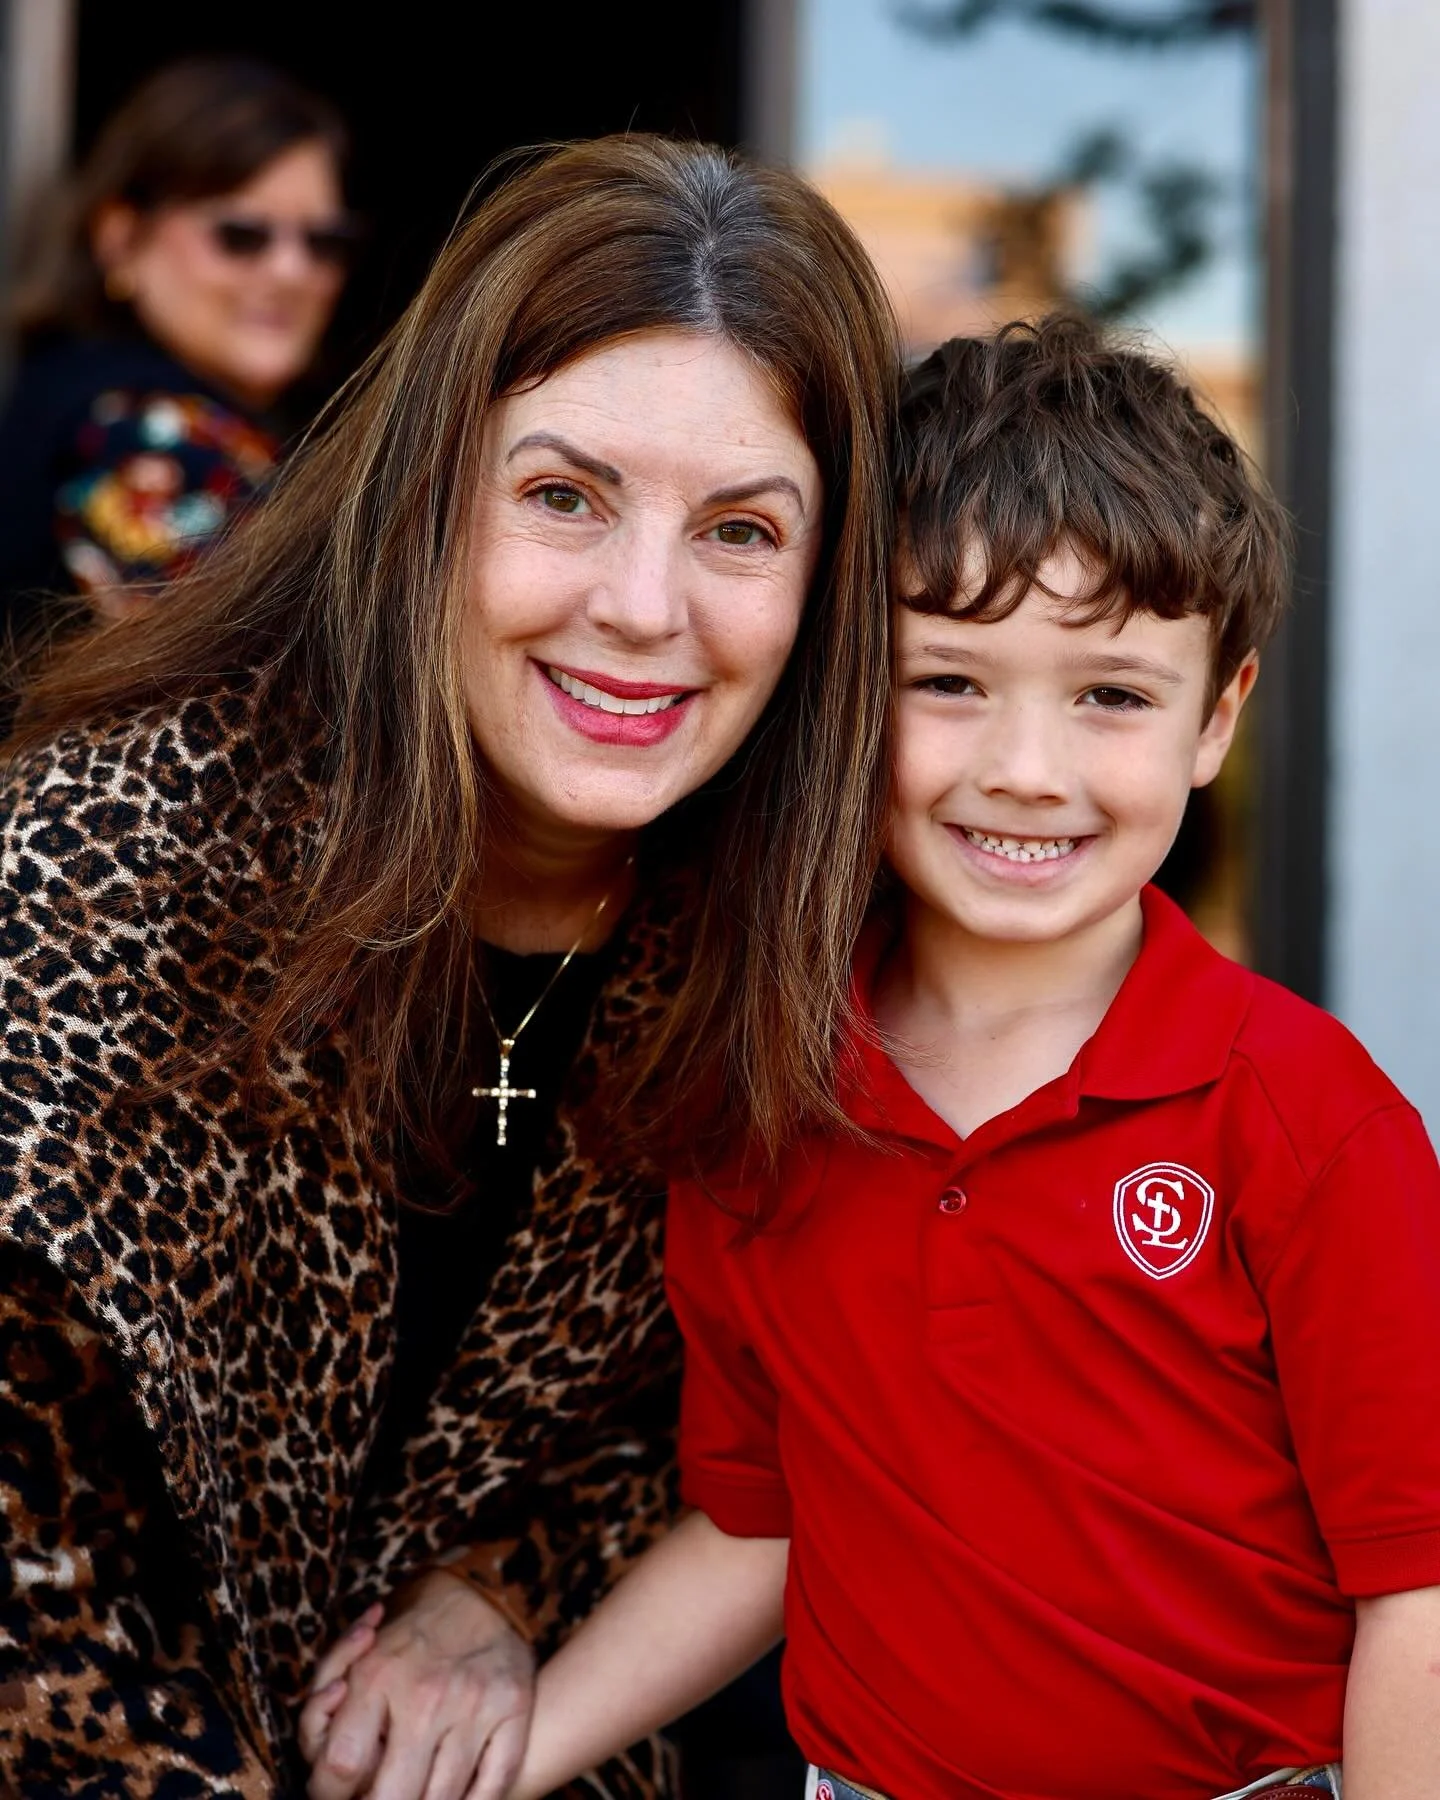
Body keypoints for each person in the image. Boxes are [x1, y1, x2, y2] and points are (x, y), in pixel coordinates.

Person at [422, 316, 1440, 1800]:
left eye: (1112, 696)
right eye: (950, 683)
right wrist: (507, 1766)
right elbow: (759, 1532)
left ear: (1218, 716)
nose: (1027, 768)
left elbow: (1413, 1596)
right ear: (846, 694)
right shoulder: (761, 1088)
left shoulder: (1302, 1116)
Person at [0, 136, 899, 1800]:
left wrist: (503, 1585)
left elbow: (756, 1414)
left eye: (742, 530)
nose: (644, 607)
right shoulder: (116, 868)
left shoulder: (794, 936)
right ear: (430, 496)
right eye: (563, 496)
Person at [0, 57, 353, 630]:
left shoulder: (101, 398)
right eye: (241, 234)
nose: (292, 271)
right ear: (120, 239)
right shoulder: (139, 436)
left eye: (324, 242)